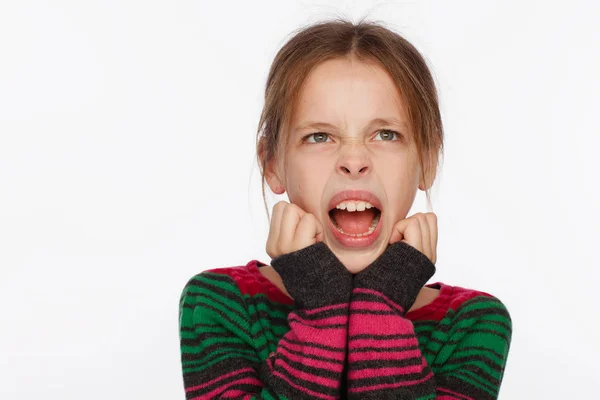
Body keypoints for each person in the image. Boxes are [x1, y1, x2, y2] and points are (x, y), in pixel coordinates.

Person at [179, 17, 512, 400]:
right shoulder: (219, 302)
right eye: (319, 136)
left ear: (427, 162)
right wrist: (321, 305)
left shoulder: (473, 323)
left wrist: (382, 305)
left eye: (386, 134)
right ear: (272, 164)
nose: (354, 160)